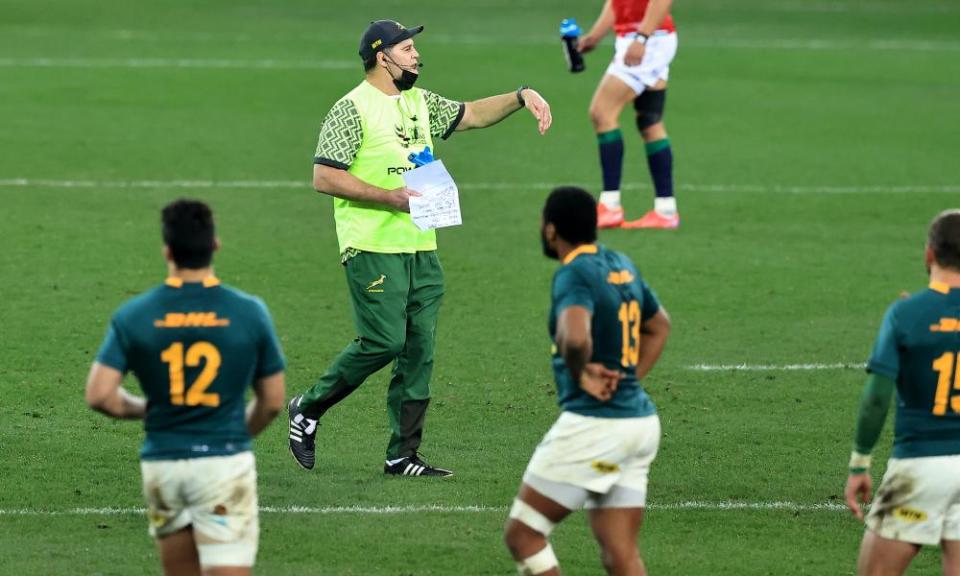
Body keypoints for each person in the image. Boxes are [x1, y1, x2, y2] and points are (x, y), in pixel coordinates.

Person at [288, 19, 552, 477]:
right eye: (407, 48)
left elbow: (470, 113)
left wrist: (520, 96)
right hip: (371, 244)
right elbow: (324, 176)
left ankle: (402, 455)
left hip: (420, 245)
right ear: (381, 56)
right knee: (384, 341)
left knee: (418, 352)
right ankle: (308, 408)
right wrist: (389, 197)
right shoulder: (351, 109)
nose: (416, 56)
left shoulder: (418, 102)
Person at [85, 199, 286, 576]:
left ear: (167, 251)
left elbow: (100, 396)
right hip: (223, 460)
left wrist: (149, 408)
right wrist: (238, 433)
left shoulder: (135, 315)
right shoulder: (248, 311)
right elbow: (273, 401)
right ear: (215, 246)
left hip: (163, 465)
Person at [504, 186, 671, 575]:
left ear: (550, 230)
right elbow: (659, 326)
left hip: (596, 425)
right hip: (640, 424)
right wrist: (629, 379)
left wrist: (581, 373)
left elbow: (575, 336)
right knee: (621, 555)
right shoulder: (621, 263)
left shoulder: (574, 272)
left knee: (523, 535)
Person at [844, 209, 960, 576]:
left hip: (920, 466)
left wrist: (860, 462)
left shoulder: (905, 314)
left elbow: (876, 398)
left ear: (929, 254)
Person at [578, 0, 679, 229]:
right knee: (649, 121)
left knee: (601, 113)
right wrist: (595, 36)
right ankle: (665, 210)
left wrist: (642, 38)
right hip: (645, 38)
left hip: (648, 40)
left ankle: (610, 206)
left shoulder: (643, 38)